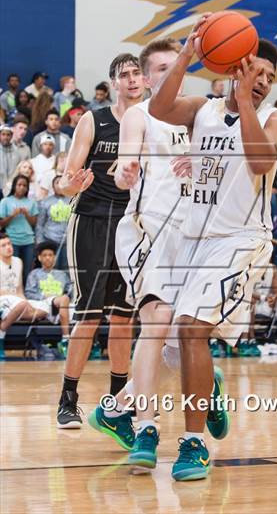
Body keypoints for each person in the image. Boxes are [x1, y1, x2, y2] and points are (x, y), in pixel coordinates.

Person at [149, 25, 277, 480]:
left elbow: (261, 162)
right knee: (176, 347)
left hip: (243, 241)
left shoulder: (275, 117)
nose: (264, 80)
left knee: (191, 330)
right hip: (196, 240)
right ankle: (211, 388)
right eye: (256, 70)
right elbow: (158, 108)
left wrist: (248, 99)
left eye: (270, 75)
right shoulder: (202, 110)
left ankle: (193, 445)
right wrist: (189, 53)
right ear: (235, 66)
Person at [89, 38, 230, 460]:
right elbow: (126, 157)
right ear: (147, 77)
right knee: (157, 323)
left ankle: (120, 409)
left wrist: (206, 165)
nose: (170, 74)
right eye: (161, 69)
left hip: (196, 237)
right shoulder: (140, 113)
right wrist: (127, 168)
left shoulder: (206, 113)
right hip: (146, 232)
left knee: (180, 342)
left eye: (175, 66)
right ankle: (145, 427)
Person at [56, 53, 144, 428]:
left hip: (135, 226)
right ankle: (67, 399)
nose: (132, 79)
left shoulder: (153, 123)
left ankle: (117, 405)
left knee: (124, 320)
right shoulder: (94, 120)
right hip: (92, 221)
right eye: (124, 75)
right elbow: (62, 182)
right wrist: (70, 184)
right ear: (113, 83)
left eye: (137, 73)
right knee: (89, 317)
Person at [0, 232, 47, 359]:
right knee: (22, 305)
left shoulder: (18, 261)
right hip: (2, 299)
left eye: (9, 243)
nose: (8, 247)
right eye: (3, 245)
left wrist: (26, 303)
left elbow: (19, 288)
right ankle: (1, 332)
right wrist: (22, 303)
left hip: (16, 301)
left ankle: (9, 317)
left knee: (44, 309)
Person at [25, 242, 72, 355]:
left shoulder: (62, 274)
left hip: (60, 303)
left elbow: (71, 291)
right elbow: (29, 293)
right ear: (39, 258)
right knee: (64, 299)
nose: (48, 258)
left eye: (50, 255)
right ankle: (66, 339)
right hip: (42, 303)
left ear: (55, 257)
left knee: (67, 301)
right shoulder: (34, 274)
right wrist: (44, 296)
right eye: (45, 255)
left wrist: (65, 297)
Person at [0, 175, 38, 282]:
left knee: (28, 270)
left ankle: (27, 293)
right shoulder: (5, 201)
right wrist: (13, 215)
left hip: (28, 241)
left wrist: (26, 214)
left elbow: (34, 223)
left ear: (27, 188)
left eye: (24, 185)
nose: (22, 187)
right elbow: (2, 223)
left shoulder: (32, 202)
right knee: (13, 270)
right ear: (14, 186)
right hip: (12, 241)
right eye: (19, 185)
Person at [36, 175, 71, 269]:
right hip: (50, 240)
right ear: (52, 186)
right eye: (57, 182)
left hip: (67, 241)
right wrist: (40, 242)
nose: (59, 185)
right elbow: (40, 224)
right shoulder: (45, 202)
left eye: (61, 182)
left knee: (66, 268)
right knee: (51, 267)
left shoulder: (72, 201)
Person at [0, 125, 20, 195]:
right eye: (3, 134)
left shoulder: (17, 151)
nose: (5, 137)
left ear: (11, 136)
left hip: (12, 187)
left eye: (8, 135)